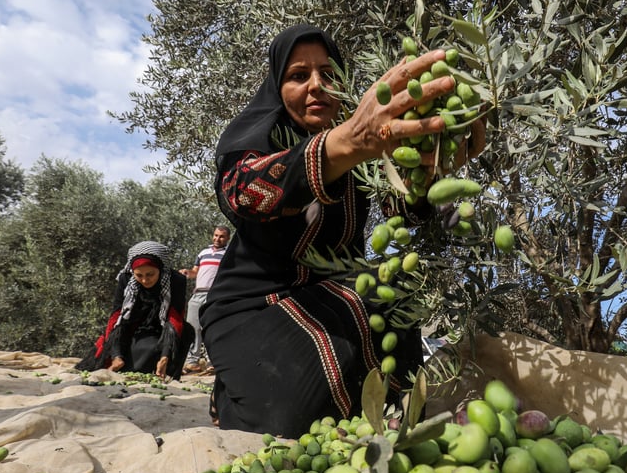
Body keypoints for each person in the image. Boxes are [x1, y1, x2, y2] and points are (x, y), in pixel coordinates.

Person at [201, 24, 484, 437]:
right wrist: (347, 142)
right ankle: (231, 389)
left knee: (398, 288)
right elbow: (241, 193)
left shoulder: (368, 154)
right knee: (286, 425)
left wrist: (431, 173)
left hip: (330, 298)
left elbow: (404, 212)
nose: (316, 86)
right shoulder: (265, 136)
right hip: (253, 309)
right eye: (299, 76)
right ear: (277, 87)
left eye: (328, 74)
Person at [76, 241, 190, 380]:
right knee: (141, 351)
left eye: (150, 274)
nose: (145, 280)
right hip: (133, 328)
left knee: (187, 331)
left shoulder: (177, 280)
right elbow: (118, 317)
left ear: (160, 269)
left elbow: (174, 318)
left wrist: (165, 356)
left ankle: (167, 370)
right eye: (139, 275)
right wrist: (116, 355)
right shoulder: (126, 279)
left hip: (163, 329)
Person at [179, 225, 231, 374]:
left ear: (227, 238)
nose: (217, 239)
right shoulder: (203, 253)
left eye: (221, 236)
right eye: (215, 235)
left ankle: (212, 362)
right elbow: (195, 271)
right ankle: (192, 362)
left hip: (215, 295)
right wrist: (186, 272)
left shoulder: (228, 255)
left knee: (212, 328)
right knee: (192, 327)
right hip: (197, 294)